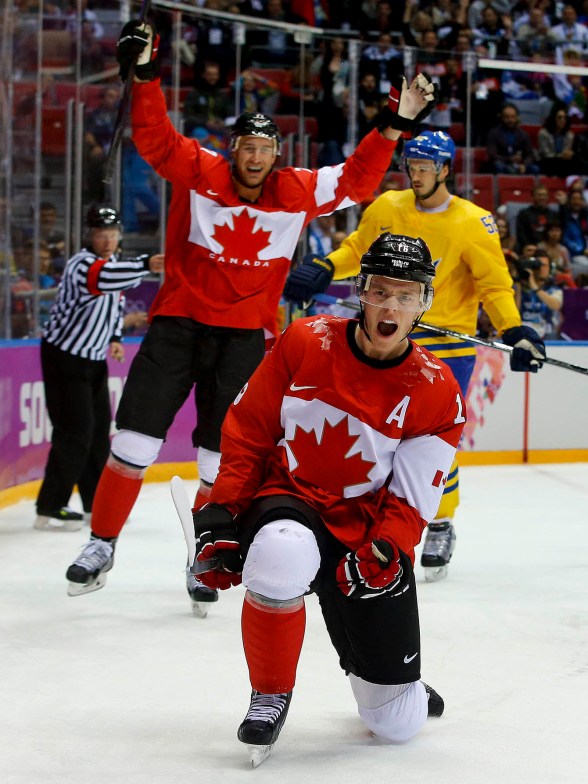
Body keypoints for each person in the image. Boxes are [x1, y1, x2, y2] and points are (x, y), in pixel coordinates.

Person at [64, 19, 437, 605]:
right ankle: (102, 541)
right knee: (134, 442)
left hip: (245, 337)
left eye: (267, 148)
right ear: (233, 149)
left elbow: (358, 179)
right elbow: (157, 139)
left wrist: (396, 123)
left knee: (219, 458)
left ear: (276, 155)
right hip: (179, 321)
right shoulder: (202, 172)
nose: (257, 157)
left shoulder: (296, 191)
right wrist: (147, 75)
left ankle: (202, 554)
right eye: (248, 147)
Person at [190, 233, 464, 767]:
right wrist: (222, 510)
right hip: (289, 498)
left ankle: (398, 689)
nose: (391, 306)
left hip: (363, 529)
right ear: (361, 291)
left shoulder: (435, 389)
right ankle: (270, 694)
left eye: (406, 295)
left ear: (423, 303)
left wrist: (385, 552)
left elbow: (410, 501)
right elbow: (250, 432)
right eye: (380, 290)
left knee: (396, 726)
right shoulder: (304, 341)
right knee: (280, 550)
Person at [283, 130, 546, 582]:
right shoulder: (387, 206)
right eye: (412, 166)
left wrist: (514, 329)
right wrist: (328, 266)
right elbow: (359, 251)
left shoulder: (473, 221)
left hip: (447, 348)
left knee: (432, 444)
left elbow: (494, 286)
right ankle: (375, 518)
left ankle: (442, 522)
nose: (417, 174)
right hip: (389, 335)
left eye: (426, 168)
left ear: (445, 170)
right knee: (376, 433)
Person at [35, 206, 164, 533]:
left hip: (93, 358)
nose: (106, 240)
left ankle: (95, 504)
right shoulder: (83, 264)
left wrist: (116, 337)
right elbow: (102, 280)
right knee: (75, 432)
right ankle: (50, 506)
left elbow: (115, 300)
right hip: (65, 357)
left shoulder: (112, 265)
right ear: (89, 237)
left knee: (97, 431)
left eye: (111, 233)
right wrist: (146, 263)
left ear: (119, 234)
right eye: (99, 234)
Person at [512, 246, 563, 339]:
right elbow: (515, 310)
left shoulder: (554, 289)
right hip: (524, 334)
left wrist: (535, 287)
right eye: (538, 265)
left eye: (544, 265)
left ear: (550, 268)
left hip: (548, 336)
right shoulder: (520, 288)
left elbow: (555, 305)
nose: (540, 269)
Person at [486, 103, 540, 175]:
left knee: (535, 169)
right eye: (507, 117)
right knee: (498, 166)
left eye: (513, 117)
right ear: (501, 117)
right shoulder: (494, 133)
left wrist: (524, 164)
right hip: (503, 163)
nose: (510, 120)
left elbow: (530, 155)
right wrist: (509, 159)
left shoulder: (523, 134)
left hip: (519, 165)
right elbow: (492, 154)